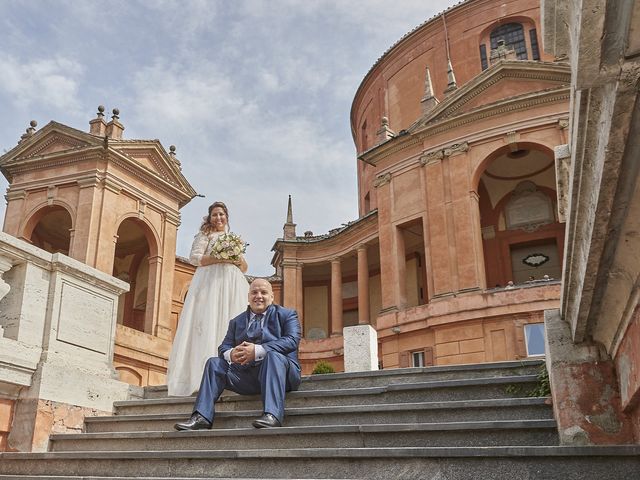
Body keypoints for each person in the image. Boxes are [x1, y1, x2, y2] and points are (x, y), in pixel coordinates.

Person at [174, 278, 301, 430]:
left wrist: (258, 350)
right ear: (248, 297)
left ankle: (272, 415)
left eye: (263, 292)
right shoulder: (236, 321)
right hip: (247, 377)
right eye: (254, 292)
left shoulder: (287, 315)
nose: (258, 296)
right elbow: (223, 347)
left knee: (273, 356)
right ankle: (202, 417)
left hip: (282, 375)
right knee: (214, 362)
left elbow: (292, 340)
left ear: (272, 297)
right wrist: (231, 353)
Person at [167, 201, 249, 397]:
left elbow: (244, 267)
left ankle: (232, 376)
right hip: (210, 283)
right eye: (215, 215)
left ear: (226, 217)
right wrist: (220, 258)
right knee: (208, 322)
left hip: (231, 285)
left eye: (221, 214)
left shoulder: (232, 238)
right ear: (209, 218)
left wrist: (234, 257)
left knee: (230, 322)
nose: (218, 218)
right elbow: (195, 258)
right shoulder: (205, 235)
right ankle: (200, 377)